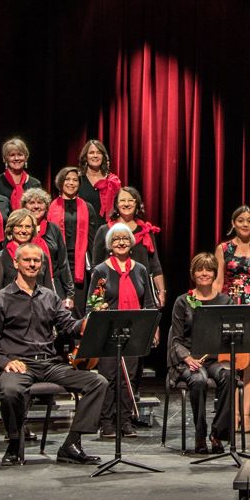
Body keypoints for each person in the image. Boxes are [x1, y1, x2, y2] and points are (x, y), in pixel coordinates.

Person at [0, 243, 105, 466]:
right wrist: (5, 362)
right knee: (10, 390)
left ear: (42, 265)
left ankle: (71, 444)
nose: (32, 264)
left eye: (36, 260)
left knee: (98, 382)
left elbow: (68, 325)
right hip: (19, 364)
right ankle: (14, 443)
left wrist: (85, 323)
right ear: (16, 263)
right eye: (27, 260)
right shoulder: (0, 299)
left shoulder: (50, 297)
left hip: (49, 364)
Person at [88, 222, 160, 437]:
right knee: (109, 377)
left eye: (125, 238)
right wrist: (97, 313)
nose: (121, 242)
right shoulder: (101, 271)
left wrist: (153, 328)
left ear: (132, 243)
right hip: (108, 332)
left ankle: (125, 420)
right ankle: (107, 422)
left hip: (134, 331)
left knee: (129, 377)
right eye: (116, 239)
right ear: (110, 244)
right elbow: (92, 303)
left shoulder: (140, 270)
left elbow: (149, 303)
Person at [168, 253, 236, 455]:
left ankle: (218, 433)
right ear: (193, 273)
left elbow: (229, 335)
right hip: (186, 360)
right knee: (199, 379)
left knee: (229, 376)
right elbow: (176, 340)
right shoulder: (183, 301)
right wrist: (187, 358)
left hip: (213, 359)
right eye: (199, 269)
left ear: (215, 273)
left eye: (208, 269)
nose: (204, 273)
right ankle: (200, 433)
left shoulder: (225, 301)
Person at [216, 205, 250, 434]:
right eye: (241, 220)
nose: (245, 224)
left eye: (249, 220)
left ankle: (245, 414)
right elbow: (218, 281)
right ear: (233, 223)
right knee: (231, 360)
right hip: (230, 306)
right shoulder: (223, 248)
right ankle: (233, 412)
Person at [89, 185, 166, 306]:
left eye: (130, 200)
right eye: (122, 200)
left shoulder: (146, 231)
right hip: (112, 295)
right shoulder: (104, 231)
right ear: (116, 204)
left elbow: (155, 265)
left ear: (137, 204)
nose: (126, 204)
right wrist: (98, 301)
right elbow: (96, 268)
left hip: (142, 293)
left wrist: (161, 291)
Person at [47, 166, 96, 289]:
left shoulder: (87, 207)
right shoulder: (50, 207)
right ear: (60, 182)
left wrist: (94, 264)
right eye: (67, 179)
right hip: (58, 261)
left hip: (80, 262)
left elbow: (92, 239)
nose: (71, 183)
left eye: (75, 180)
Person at [80, 138, 123, 219]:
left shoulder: (113, 181)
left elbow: (119, 207)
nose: (95, 155)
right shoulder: (78, 180)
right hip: (83, 225)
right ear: (85, 157)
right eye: (91, 153)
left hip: (108, 225)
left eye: (99, 153)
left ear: (103, 157)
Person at [0, 136, 39, 209]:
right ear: (5, 158)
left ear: (26, 157)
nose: (16, 158)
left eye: (20, 154)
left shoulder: (35, 184)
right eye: (12, 155)